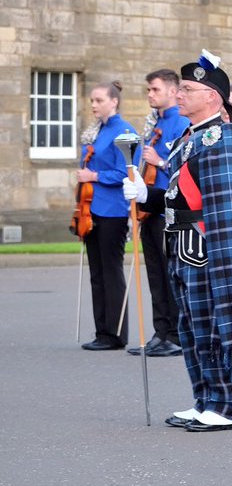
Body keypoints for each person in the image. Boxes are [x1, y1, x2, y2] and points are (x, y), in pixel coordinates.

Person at [156, 52, 232, 432]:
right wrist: (145, 194)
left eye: (187, 89)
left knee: (211, 326)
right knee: (190, 327)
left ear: (212, 96)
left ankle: (222, 406)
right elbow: (180, 194)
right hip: (182, 242)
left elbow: (231, 205)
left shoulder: (226, 139)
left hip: (210, 248)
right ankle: (203, 399)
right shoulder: (189, 139)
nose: (179, 95)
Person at [127, 69, 190, 358]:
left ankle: (176, 335)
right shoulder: (155, 126)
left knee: (170, 274)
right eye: (149, 90)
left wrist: (161, 162)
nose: (150, 95)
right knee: (154, 274)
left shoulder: (181, 123)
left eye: (154, 89)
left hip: (171, 208)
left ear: (172, 91)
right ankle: (160, 331)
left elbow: (186, 169)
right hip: (150, 207)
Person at [77, 81, 139, 351]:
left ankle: (115, 334)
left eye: (99, 100)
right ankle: (101, 330)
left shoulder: (126, 131)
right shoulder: (96, 132)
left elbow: (129, 170)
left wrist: (95, 176)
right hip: (90, 209)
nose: (93, 105)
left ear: (114, 101)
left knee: (111, 272)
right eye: (92, 100)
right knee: (96, 273)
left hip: (112, 210)